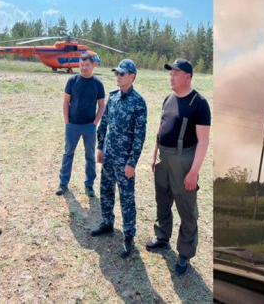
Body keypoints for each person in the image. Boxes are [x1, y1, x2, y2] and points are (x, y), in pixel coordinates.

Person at [146, 58, 211, 275]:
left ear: (188, 77)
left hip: (184, 160)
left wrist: (194, 172)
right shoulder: (168, 98)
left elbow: (203, 141)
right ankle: (162, 237)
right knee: (162, 200)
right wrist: (154, 155)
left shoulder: (199, 103)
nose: (171, 77)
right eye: (170, 73)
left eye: (176, 73)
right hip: (164, 158)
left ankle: (184, 253)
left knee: (186, 208)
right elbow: (160, 127)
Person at [90, 59, 147, 258]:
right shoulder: (112, 98)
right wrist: (100, 148)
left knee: (126, 198)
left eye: (122, 74)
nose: (118, 76)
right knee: (105, 190)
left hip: (124, 161)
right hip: (108, 156)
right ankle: (107, 222)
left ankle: (129, 235)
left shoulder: (138, 102)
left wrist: (132, 163)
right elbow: (104, 124)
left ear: (132, 77)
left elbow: (139, 136)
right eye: (116, 73)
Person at [56, 52, 105, 197]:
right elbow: (66, 102)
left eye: (87, 65)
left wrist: (94, 123)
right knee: (68, 154)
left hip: (89, 126)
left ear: (93, 65)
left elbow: (102, 105)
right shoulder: (72, 81)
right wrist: (67, 122)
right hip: (72, 125)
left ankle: (89, 185)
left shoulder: (98, 84)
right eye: (81, 65)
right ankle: (63, 183)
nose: (84, 68)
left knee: (90, 156)